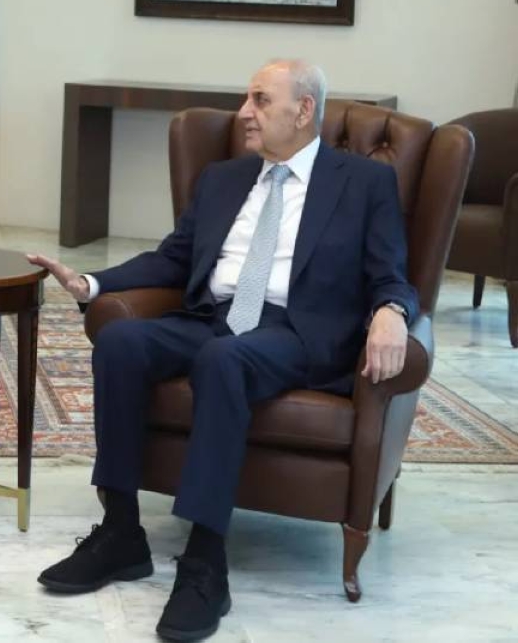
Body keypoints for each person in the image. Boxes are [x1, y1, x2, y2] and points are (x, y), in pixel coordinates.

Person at [27, 59, 416, 642]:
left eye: (260, 99)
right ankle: (121, 532)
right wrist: (92, 284)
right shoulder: (224, 179)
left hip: (296, 331)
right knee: (122, 341)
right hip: (214, 318)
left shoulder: (362, 183)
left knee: (223, 360)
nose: (244, 113)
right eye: (246, 100)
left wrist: (392, 311)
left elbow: (392, 272)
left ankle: (206, 562)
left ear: (303, 110)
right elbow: (173, 259)